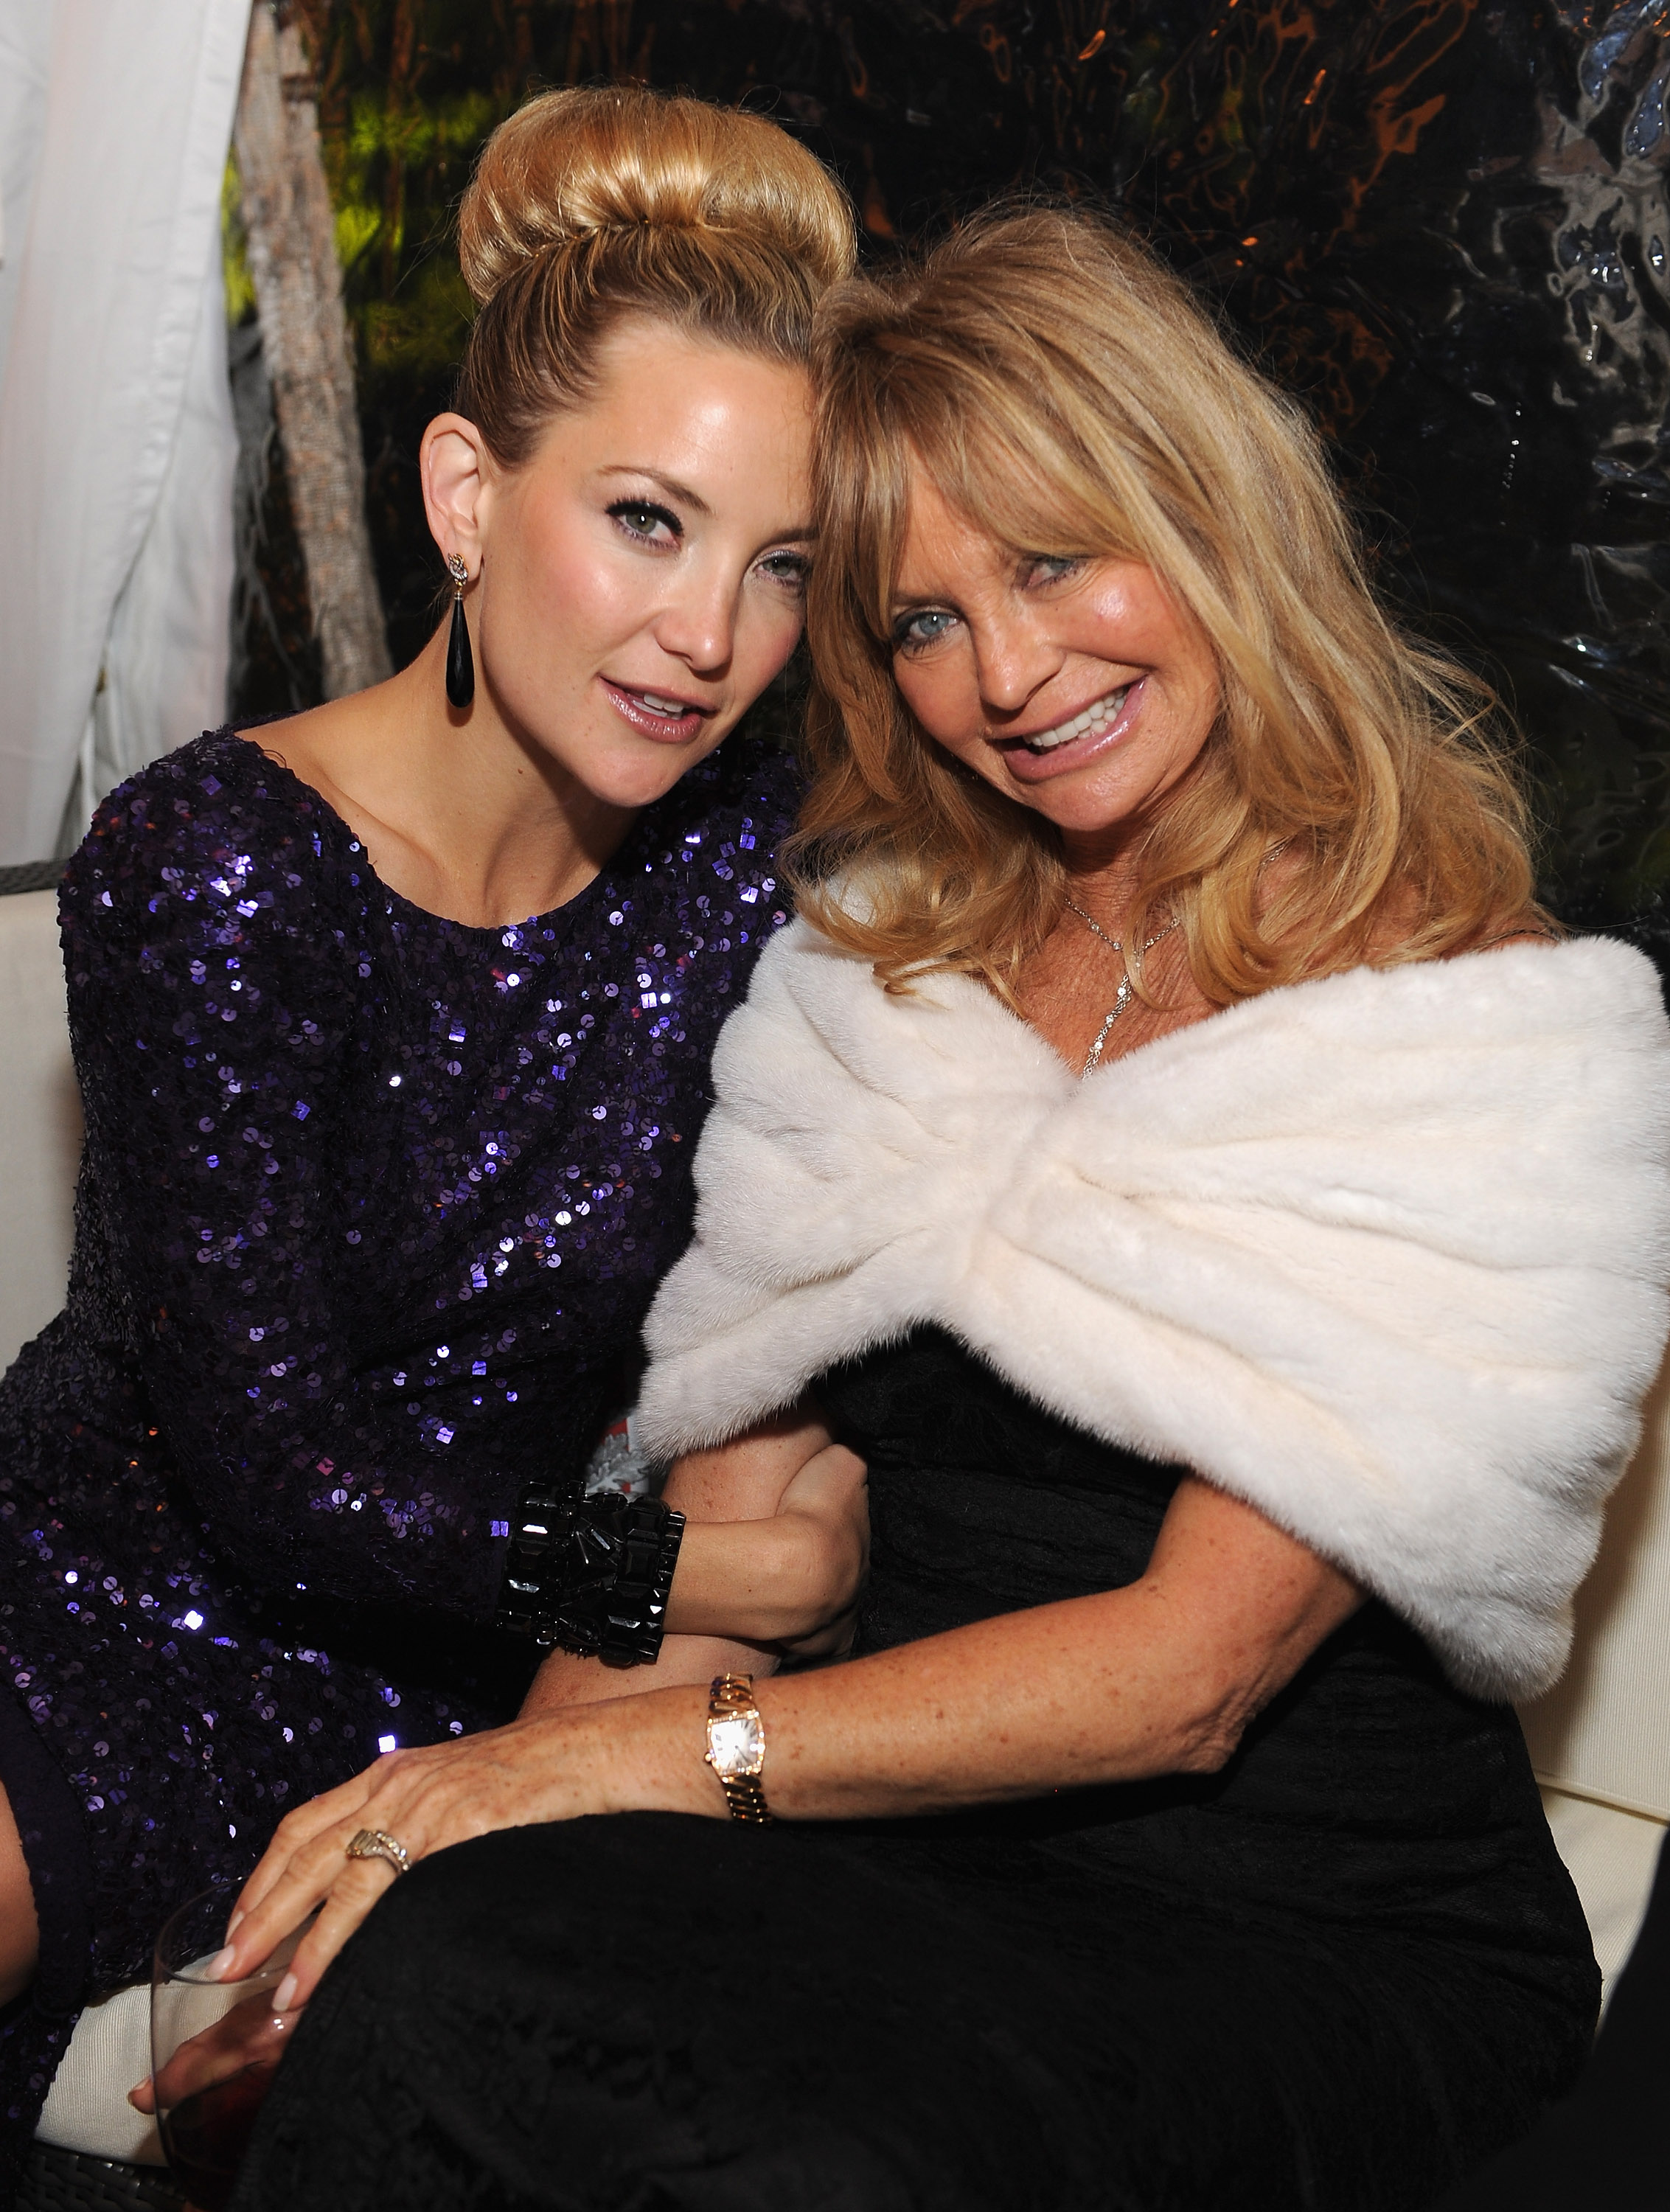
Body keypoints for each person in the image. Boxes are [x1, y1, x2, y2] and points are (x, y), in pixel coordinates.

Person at [222, 208, 1670, 2212]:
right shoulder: (868, 974)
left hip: (1300, 1931)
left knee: (818, 2166)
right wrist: (460, 1797)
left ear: (1211, 523)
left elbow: (1186, 1683)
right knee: (437, 1970)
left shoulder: (1469, 1029)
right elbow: (692, 1507)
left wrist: (603, 1771)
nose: (1006, 673)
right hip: (872, 1836)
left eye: (1057, 564)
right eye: (918, 619)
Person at [0, 85, 866, 2186]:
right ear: (469, 494)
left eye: (781, 569)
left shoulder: (746, 871)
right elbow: (276, 1476)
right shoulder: (210, 863)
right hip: (106, 1605)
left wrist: (622, 1649)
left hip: (465, 1682)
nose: (707, 638)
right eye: (644, 521)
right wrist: (694, 1571)